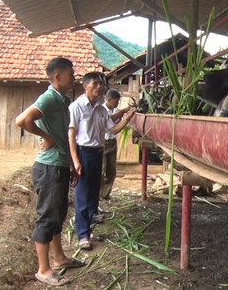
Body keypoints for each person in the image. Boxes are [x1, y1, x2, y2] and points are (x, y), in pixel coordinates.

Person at [15, 57, 85, 286]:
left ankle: (59, 258)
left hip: (58, 165)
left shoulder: (61, 100)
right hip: (48, 168)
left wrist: (71, 166)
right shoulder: (49, 98)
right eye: (71, 74)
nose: (74, 78)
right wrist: (46, 137)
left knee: (58, 213)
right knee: (47, 217)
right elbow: (22, 120)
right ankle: (43, 269)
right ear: (58, 76)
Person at [68, 72, 136, 251]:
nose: (100, 87)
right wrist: (75, 161)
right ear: (85, 86)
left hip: (98, 152)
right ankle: (82, 234)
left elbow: (112, 130)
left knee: (92, 195)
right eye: (95, 84)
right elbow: (71, 135)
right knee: (82, 195)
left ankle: (88, 229)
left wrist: (127, 118)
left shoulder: (100, 109)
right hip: (83, 153)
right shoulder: (76, 107)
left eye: (101, 84)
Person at [100, 89, 132, 200]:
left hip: (112, 142)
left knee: (111, 170)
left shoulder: (114, 111)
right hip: (103, 143)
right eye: (116, 102)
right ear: (108, 100)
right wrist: (126, 118)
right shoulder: (102, 111)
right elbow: (113, 129)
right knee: (102, 170)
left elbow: (115, 121)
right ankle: (98, 194)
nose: (117, 104)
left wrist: (123, 114)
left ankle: (105, 194)